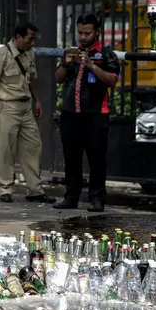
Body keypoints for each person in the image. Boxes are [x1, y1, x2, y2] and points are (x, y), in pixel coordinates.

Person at [53, 13, 119, 212]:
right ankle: (71, 196)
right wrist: (66, 63)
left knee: (96, 158)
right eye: (80, 32)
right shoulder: (71, 52)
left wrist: (91, 66)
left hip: (95, 114)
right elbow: (57, 78)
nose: (83, 37)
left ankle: (97, 198)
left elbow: (112, 81)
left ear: (97, 32)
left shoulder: (107, 55)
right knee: (71, 156)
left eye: (87, 33)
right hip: (70, 113)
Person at [0, 23, 56, 204]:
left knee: (33, 146)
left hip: (25, 108)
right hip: (6, 106)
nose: (33, 42)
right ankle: (5, 189)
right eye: (30, 38)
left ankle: (34, 189)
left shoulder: (29, 53)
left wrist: (36, 100)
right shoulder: (1, 55)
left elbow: (30, 78)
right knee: (5, 149)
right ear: (18, 37)